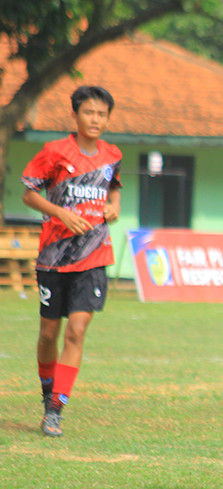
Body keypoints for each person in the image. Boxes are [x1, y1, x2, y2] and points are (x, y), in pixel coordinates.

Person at [21, 85, 123, 437]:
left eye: (101, 114)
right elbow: (29, 193)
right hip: (53, 257)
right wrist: (61, 215)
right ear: (76, 115)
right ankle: (47, 389)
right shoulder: (54, 152)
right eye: (89, 113)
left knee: (77, 331)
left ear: (108, 118)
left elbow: (114, 187)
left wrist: (115, 208)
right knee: (49, 333)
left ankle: (56, 409)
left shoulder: (112, 155)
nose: (95, 119)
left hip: (94, 256)